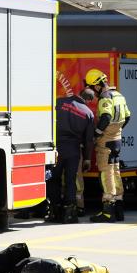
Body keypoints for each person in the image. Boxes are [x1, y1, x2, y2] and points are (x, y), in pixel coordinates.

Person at [47, 87, 95, 224]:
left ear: (79, 94)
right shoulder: (88, 113)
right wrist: (86, 158)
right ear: (89, 100)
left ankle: (54, 211)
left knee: (53, 179)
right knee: (70, 181)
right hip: (73, 150)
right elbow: (88, 140)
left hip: (56, 148)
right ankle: (70, 213)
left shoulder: (59, 102)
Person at [89, 70, 131, 223]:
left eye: (91, 87)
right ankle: (119, 209)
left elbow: (106, 117)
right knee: (115, 171)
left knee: (106, 173)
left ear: (96, 86)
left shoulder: (105, 98)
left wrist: (97, 134)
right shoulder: (119, 95)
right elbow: (127, 116)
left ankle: (108, 211)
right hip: (117, 139)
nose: (92, 92)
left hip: (105, 141)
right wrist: (117, 130)